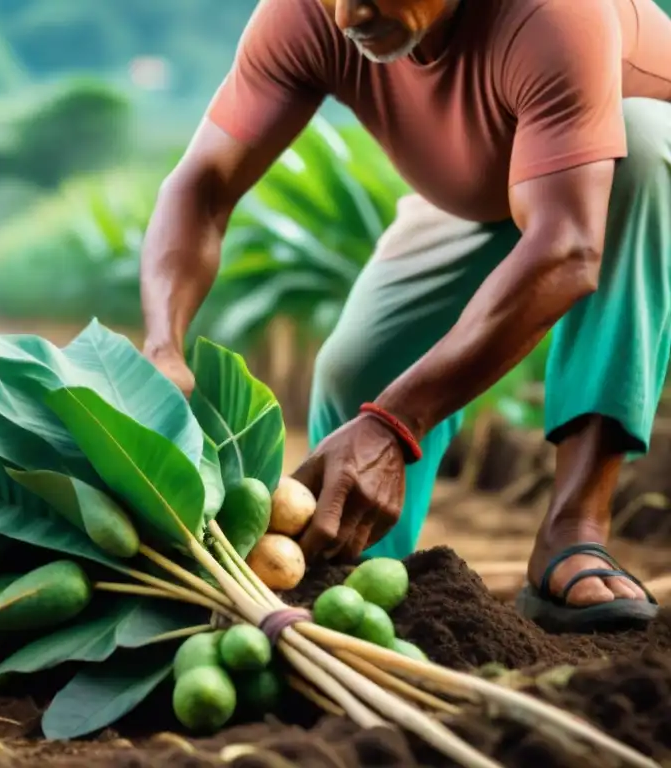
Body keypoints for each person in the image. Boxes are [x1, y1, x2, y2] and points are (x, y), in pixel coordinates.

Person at [138, 0, 671, 633]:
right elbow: (203, 184)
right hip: (482, 191)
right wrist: (161, 346)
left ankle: (574, 528)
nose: (346, 15)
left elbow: (568, 250)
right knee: (357, 369)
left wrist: (396, 423)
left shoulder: (554, 15)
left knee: (640, 147)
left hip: (604, 181)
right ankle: (360, 582)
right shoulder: (306, 14)